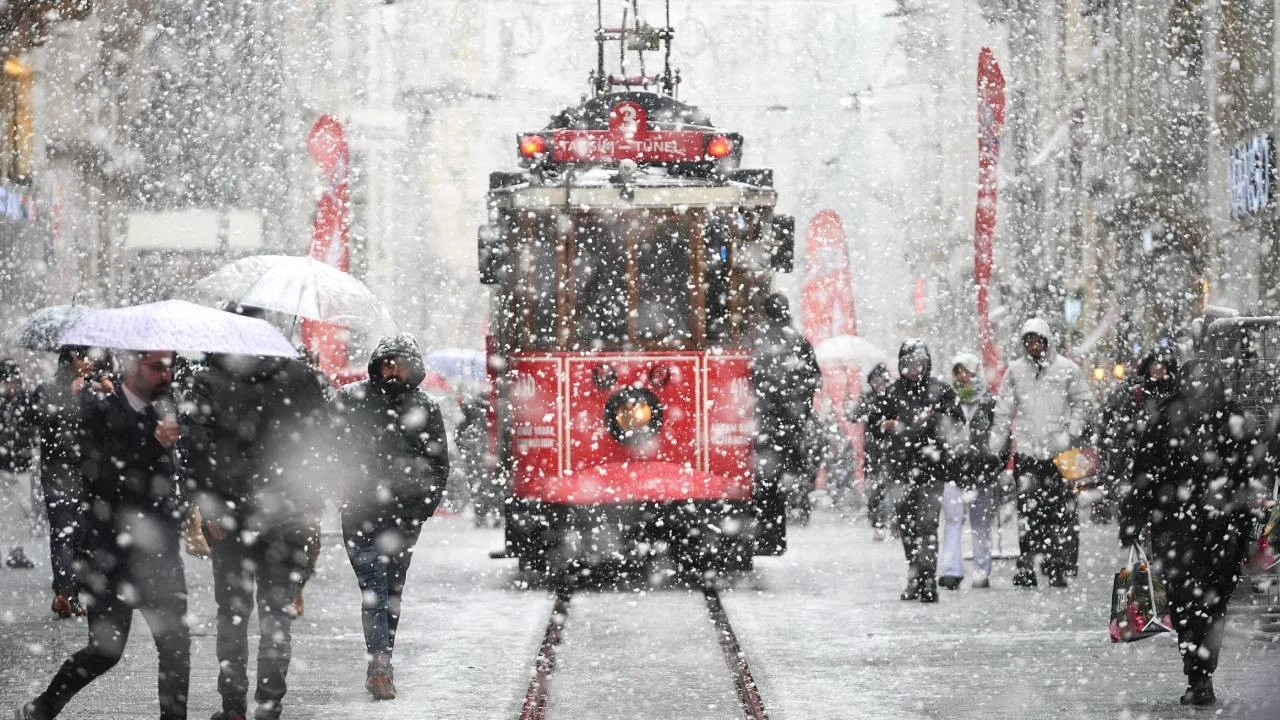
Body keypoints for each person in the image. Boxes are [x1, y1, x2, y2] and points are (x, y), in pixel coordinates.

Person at [16, 350, 189, 720]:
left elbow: (173, 479)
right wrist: (153, 444)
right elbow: (104, 480)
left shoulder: (168, 409)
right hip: (111, 554)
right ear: (133, 366)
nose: (165, 374)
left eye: (168, 366)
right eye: (157, 366)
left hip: (160, 555)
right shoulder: (98, 410)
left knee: (175, 647)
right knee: (104, 652)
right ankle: (43, 708)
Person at [185, 345, 329, 720]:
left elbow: (195, 448)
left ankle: (233, 707)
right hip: (289, 514)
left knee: (232, 614)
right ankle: (269, 706)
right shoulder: (299, 376)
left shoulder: (209, 380)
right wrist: (310, 505)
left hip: (230, 518)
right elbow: (323, 443)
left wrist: (210, 504)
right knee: (276, 614)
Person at [1119, 359, 1257, 706]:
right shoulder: (1230, 417)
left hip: (1182, 526)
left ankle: (1197, 671)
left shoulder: (1168, 417)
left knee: (1187, 602)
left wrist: (1134, 521)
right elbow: (1253, 472)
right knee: (1211, 602)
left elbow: (1143, 474)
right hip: (1215, 525)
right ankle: (1202, 670)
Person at [332, 334, 450, 701]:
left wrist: (420, 509)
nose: (393, 370)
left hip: (403, 518)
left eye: (400, 363)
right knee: (375, 590)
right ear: (376, 365)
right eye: (387, 363)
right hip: (361, 514)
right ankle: (379, 666)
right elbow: (323, 445)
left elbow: (438, 463)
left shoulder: (425, 407)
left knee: (392, 592)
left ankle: (383, 661)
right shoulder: (349, 401)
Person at [988, 318, 1091, 588]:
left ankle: (1057, 564)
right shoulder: (1015, 372)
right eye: (1029, 341)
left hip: (1060, 453)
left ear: (1047, 342)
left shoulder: (1067, 370)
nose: (1033, 346)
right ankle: (1027, 565)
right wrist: (997, 443)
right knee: (1028, 513)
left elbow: (1082, 402)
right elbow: (1003, 410)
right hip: (1028, 452)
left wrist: (1071, 432)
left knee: (1059, 512)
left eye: (1037, 341)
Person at [867, 340, 961, 603]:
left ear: (927, 363)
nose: (913, 370)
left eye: (918, 364)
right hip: (900, 469)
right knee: (907, 526)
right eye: (908, 364)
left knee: (927, 524)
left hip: (932, 470)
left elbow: (956, 424)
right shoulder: (892, 393)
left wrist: (935, 421)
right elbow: (874, 422)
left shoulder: (940, 391)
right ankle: (916, 574)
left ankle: (927, 577)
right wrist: (887, 425)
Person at [30, 346, 106, 617]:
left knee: (76, 535)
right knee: (66, 535)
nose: (89, 362)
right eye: (83, 357)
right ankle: (66, 593)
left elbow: (106, 424)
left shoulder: (93, 387)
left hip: (83, 474)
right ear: (70, 361)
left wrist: (104, 393)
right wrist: (69, 399)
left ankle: (66, 591)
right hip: (62, 474)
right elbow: (38, 419)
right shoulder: (48, 389)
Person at [750, 292, 822, 548]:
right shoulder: (798, 342)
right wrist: (799, 408)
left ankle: (765, 534)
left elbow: (752, 379)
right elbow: (815, 379)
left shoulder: (758, 341)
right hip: (791, 423)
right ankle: (775, 536)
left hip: (763, 422)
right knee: (780, 479)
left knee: (765, 480)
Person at [938, 353, 1000, 589]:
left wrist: (997, 463)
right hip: (953, 471)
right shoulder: (948, 402)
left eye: (967, 371)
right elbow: (941, 435)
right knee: (953, 520)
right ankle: (952, 570)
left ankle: (982, 571)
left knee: (981, 523)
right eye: (958, 372)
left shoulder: (989, 404)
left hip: (982, 470)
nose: (963, 376)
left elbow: (1001, 436)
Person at [1096, 350, 1178, 525]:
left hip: (1164, 454)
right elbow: (1121, 423)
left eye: (1161, 365)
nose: (1157, 369)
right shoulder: (1136, 392)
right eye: (1153, 364)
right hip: (1139, 452)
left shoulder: (1174, 391)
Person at [847, 363, 894, 541]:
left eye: (881, 379)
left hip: (894, 448)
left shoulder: (894, 396)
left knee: (895, 487)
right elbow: (854, 415)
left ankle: (896, 523)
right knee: (875, 490)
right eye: (875, 380)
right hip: (873, 450)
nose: (878, 383)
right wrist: (868, 410)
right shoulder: (868, 398)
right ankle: (878, 524)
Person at [1, 358, 37, 569]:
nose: (10, 385)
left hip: (20, 464)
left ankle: (17, 550)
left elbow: (32, 428)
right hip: (7, 462)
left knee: (23, 510)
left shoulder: (26, 401)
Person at [456, 394, 498, 527]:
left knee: (478, 486)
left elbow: (459, 439)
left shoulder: (466, 424)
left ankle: (482, 515)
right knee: (490, 487)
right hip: (486, 459)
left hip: (475, 460)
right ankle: (492, 515)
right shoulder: (490, 423)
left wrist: (466, 452)